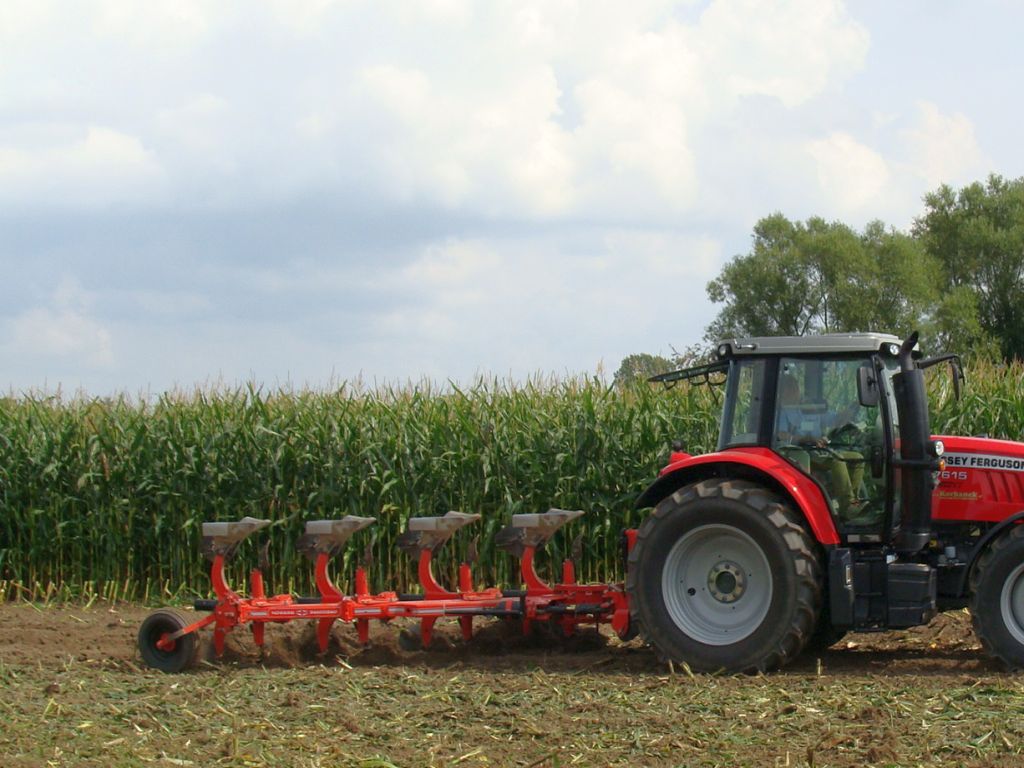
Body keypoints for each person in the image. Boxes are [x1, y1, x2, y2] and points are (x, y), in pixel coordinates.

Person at [775, 373, 865, 516]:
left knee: (857, 457)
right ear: (780, 391)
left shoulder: (810, 408)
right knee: (838, 460)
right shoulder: (782, 412)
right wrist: (806, 438)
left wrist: (850, 410)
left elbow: (835, 420)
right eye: (789, 387)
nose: (794, 390)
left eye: (795, 386)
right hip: (800, 454)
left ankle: (849, 504)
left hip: (820, 450)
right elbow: (782, 435)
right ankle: (848, 506)